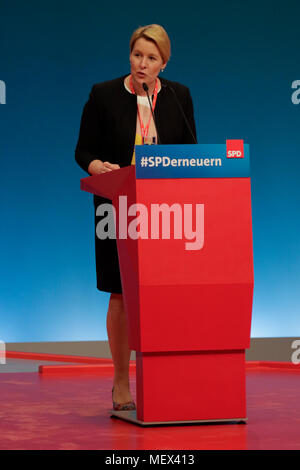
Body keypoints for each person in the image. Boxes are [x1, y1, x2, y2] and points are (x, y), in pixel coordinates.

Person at [75, 24, 197, 411]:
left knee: (164, 296)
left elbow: (191, 155)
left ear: (164, 63)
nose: (142, 64)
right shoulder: (104, 94)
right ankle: (121, 381)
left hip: (167, 210)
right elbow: (83, 150)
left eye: (151, 58)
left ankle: (164, 379)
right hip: (118, 206)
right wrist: (98, 166)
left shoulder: (179, 96)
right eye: (137, 55)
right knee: (121, 294)